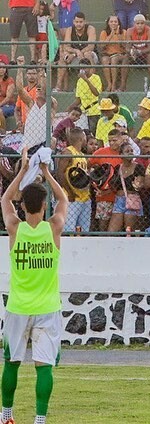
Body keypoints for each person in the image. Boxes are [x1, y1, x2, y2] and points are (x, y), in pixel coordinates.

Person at [0, 149, 68, 424]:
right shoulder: (54, 228)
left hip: (18, 307)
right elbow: (64, 199)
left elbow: (5, 198)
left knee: (12, 362)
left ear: (23, 207)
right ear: (43, 206)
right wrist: (47, 172)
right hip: (47, 307)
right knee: (44, 366)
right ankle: (40, 419)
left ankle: (6, 416)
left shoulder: (15, 228)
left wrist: (22, 171)